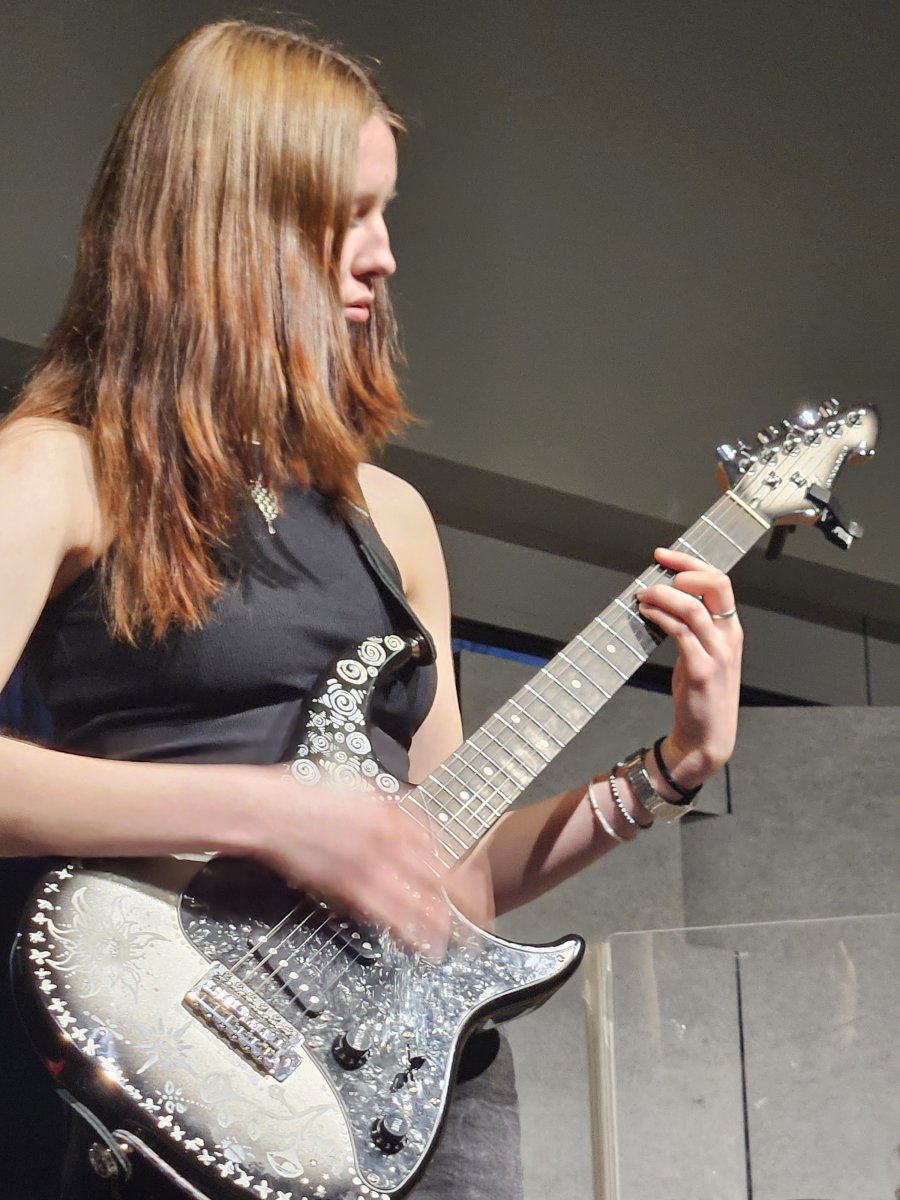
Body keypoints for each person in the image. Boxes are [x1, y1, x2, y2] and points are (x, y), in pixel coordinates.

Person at [0, 19, 743, 1200]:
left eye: (385, 214)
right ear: (228, 218)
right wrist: (270, 814)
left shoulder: (390, 517)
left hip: (416, 1109)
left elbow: (453, 882)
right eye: (347, 216)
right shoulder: (57, 467)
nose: (385, 256)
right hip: (174, 1082)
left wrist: (668, 773)